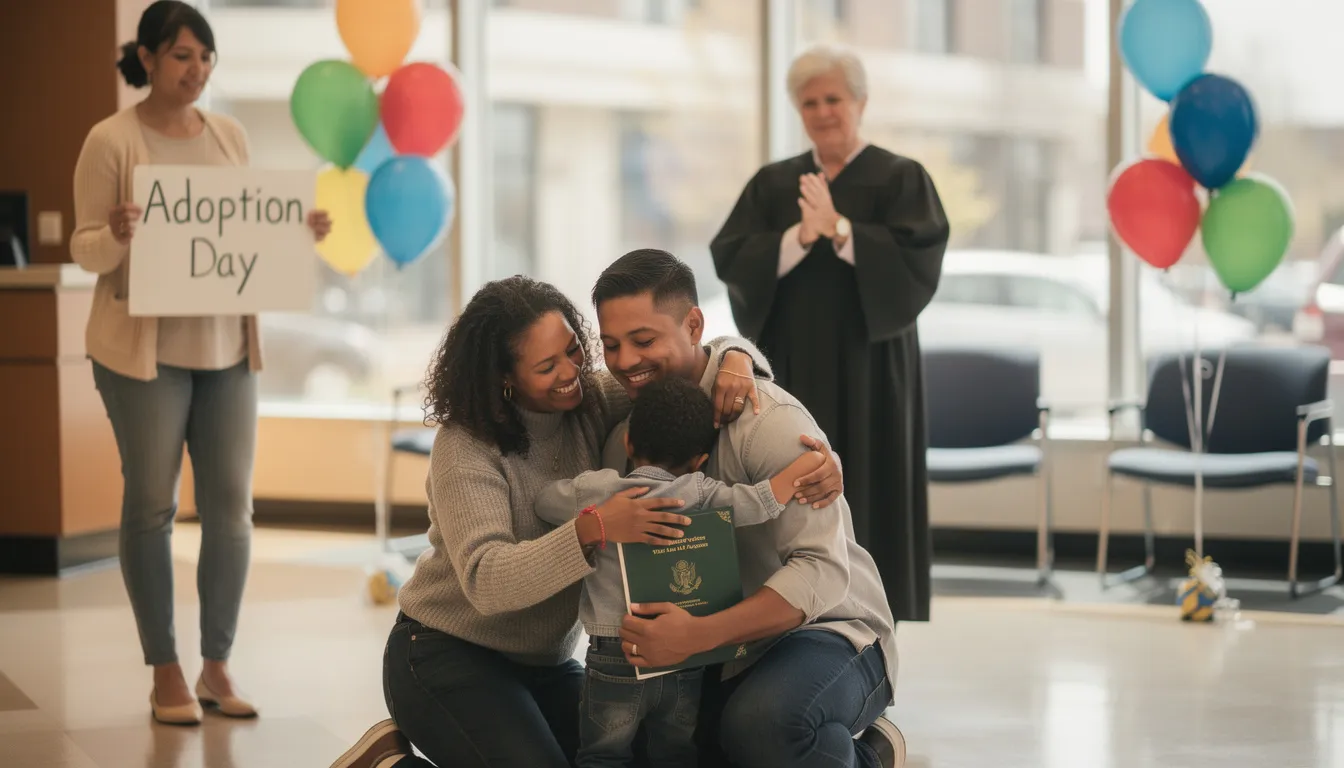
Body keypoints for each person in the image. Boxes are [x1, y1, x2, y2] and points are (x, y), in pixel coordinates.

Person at [328, 276, 844, 768]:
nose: (571, 371)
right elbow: (487, 581)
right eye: (547, 365)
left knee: (639, 757)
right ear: (504, 379)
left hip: (547, 664)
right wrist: (593, 527)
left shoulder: (588, 401)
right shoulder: (466, 446)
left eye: (573, 349)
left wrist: (738, 357)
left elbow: (682, 368)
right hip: (445, 653)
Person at [69, 0, 331, 725]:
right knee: (151, 506)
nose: (197, 69)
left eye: (206, 56)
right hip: (141, 357)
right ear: (146, 58)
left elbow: (242, 232)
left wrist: (292, 230)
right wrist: (118, 233)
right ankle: (165, 670)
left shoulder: (230, 134)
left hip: (226, 353)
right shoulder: (111, 140)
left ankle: (217, 664)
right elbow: (84, 248)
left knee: (232, 511)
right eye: (182, 55)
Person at [593, 249, 906, 768]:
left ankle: (868, 756)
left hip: (827, 629)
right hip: (710, 653)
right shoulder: (621, 433)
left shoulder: (769, 422)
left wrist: (698, 635)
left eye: (644, 340)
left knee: (763, 725)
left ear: (694, 324)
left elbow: (822, 572)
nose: (626, 361)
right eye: (611, 346)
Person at [709, 44, 950, 623]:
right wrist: (799, 235)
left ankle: (873, 625)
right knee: (797, 478)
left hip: (874, 366)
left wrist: (840, 228)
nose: (823, 111)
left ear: (860, 102)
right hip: (796, 366)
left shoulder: (900, 178)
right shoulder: (775, 183)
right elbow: (732, 257)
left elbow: (918, 264)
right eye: (809, 102)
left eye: (833, 99)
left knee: (869, 483)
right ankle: (791, 611)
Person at [535, 376, 826, 768]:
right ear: (700, 461)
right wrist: (816, 462)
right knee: (674, 754)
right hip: (683, 657)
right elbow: (763, 502)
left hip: (614, 653)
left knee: (602, 755)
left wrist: (594, 516)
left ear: (628, 444)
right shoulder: (701, 493)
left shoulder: (598, 490)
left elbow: (543, 501)